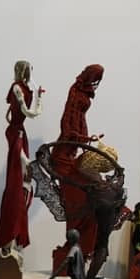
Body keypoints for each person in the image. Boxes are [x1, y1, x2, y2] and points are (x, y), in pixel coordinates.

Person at [0, 60, 44, 257]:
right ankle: (8, 238)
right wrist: (39, 98)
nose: (30, 73)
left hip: (20, 133)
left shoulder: (22, 88)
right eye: (28, 70)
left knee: (23, 186)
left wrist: (37, 96)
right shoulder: (17, 88)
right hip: (16, 133)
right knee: (17, 185)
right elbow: (30, 113)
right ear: (23, 71)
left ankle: (13, 239)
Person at [51, 64, 105, 258]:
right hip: (63, 153)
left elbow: (79, 118)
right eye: (95, 78)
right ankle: (74, 239)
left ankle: (84, 243)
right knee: (77, 198)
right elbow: (67, 119)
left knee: (89, 191)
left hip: (73, 148)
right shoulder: (75, 91)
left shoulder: (84, 91)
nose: (96, 83)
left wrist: (85, 138)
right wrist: (78, 137)